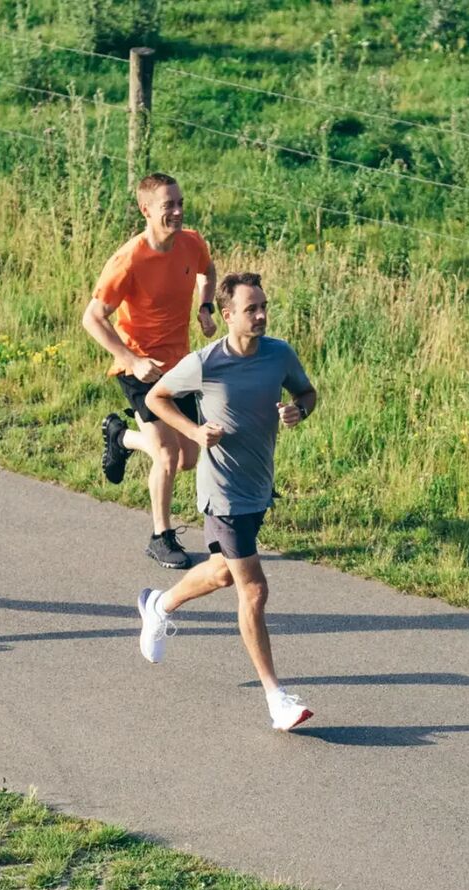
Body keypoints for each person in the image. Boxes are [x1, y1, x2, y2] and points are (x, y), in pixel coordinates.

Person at [135, 272, 319, 731]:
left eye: (263, 307)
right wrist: (195, 432)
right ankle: (277, 699)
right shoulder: (205, 362)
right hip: (222, 491)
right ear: (228, 314)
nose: (260, 315)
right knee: (253, 589)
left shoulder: (280, 354)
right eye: (251, 309)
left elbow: (306, 392)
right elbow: (157, 397)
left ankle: (159, 606)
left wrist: (300, 410)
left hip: (259, 485)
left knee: (221, 572)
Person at [81, 172, 218, 569]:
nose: (176, 211)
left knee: (189, 458)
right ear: (146, 210)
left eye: (179, 203)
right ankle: (161, 536)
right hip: (140, 367)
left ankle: (120, 437)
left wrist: (205, 307)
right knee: (167, 454)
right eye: (167, 206)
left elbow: (208, 272)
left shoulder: (192, 242)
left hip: (181, 365)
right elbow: (92, 318)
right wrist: (130, 360)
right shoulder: (129, 260)